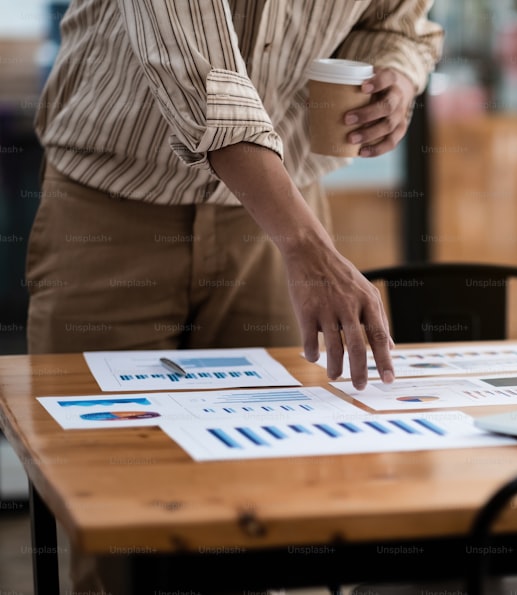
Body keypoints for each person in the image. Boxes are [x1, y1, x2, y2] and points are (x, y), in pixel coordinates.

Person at [27, 0, 442, 591]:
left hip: (278, 212)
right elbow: (199, 74)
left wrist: (392, 77)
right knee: (117, 507)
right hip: (115, 200)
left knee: (273, 492)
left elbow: (397, 24)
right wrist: (308, 247)